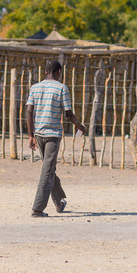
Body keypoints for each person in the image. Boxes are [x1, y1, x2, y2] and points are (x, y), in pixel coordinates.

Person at [25, 60, 87, 218]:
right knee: (47, 171)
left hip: (38, 134)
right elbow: (68, 114)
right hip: (52, 135)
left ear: (46, 72)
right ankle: (37, 209)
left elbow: (29, 111)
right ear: (59, 71)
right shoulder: (62, 88)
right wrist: (80, 126)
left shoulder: (35, 87)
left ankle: (59, 202)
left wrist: (31, 135)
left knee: (49, 169)